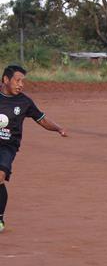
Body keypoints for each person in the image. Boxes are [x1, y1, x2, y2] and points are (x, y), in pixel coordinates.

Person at [0, 65, 68, 233]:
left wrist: (58, 128)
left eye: (22, 81)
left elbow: (42, 119)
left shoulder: (24, 102)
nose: (21, 84)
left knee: (0, 175)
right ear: (6, 80)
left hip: (8, 146)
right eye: (17, 80)